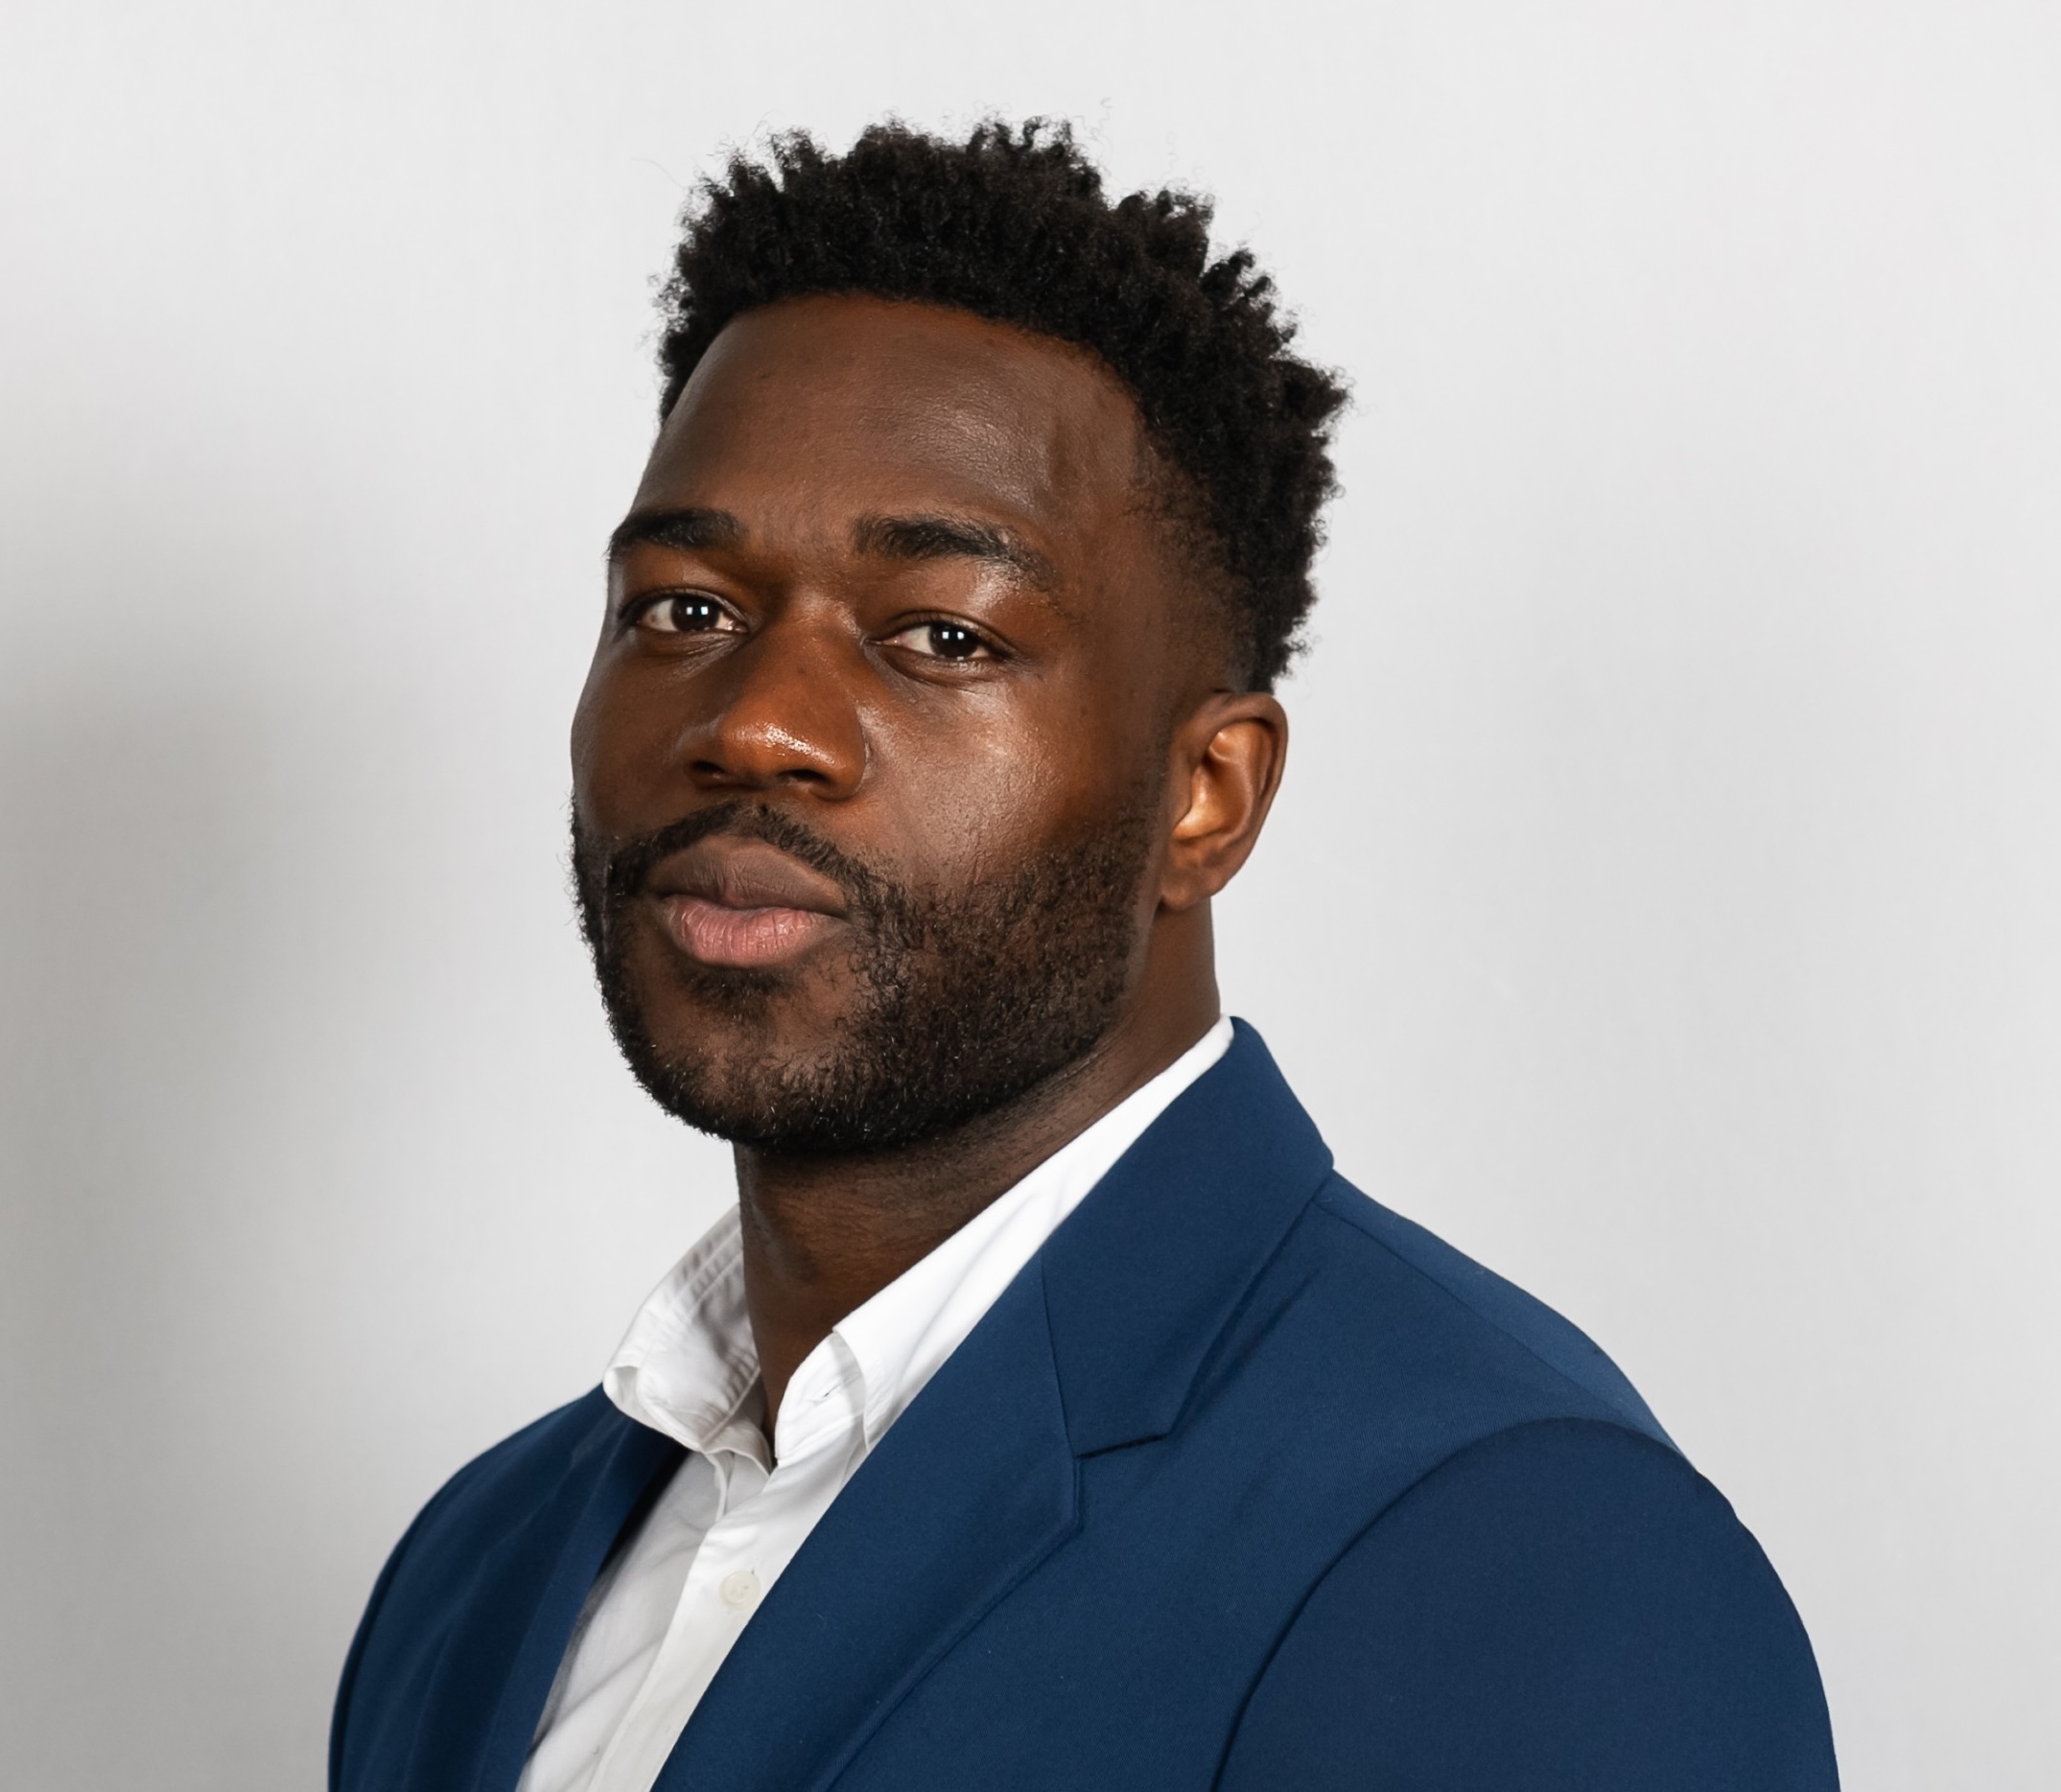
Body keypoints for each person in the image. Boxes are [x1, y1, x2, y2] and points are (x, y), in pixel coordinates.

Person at [330, 120, 1839, 1792]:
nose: (755, 723)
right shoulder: (475, 1576)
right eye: (686, 609)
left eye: (941, 634)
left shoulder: (1514, 1548)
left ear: (1206, 794)